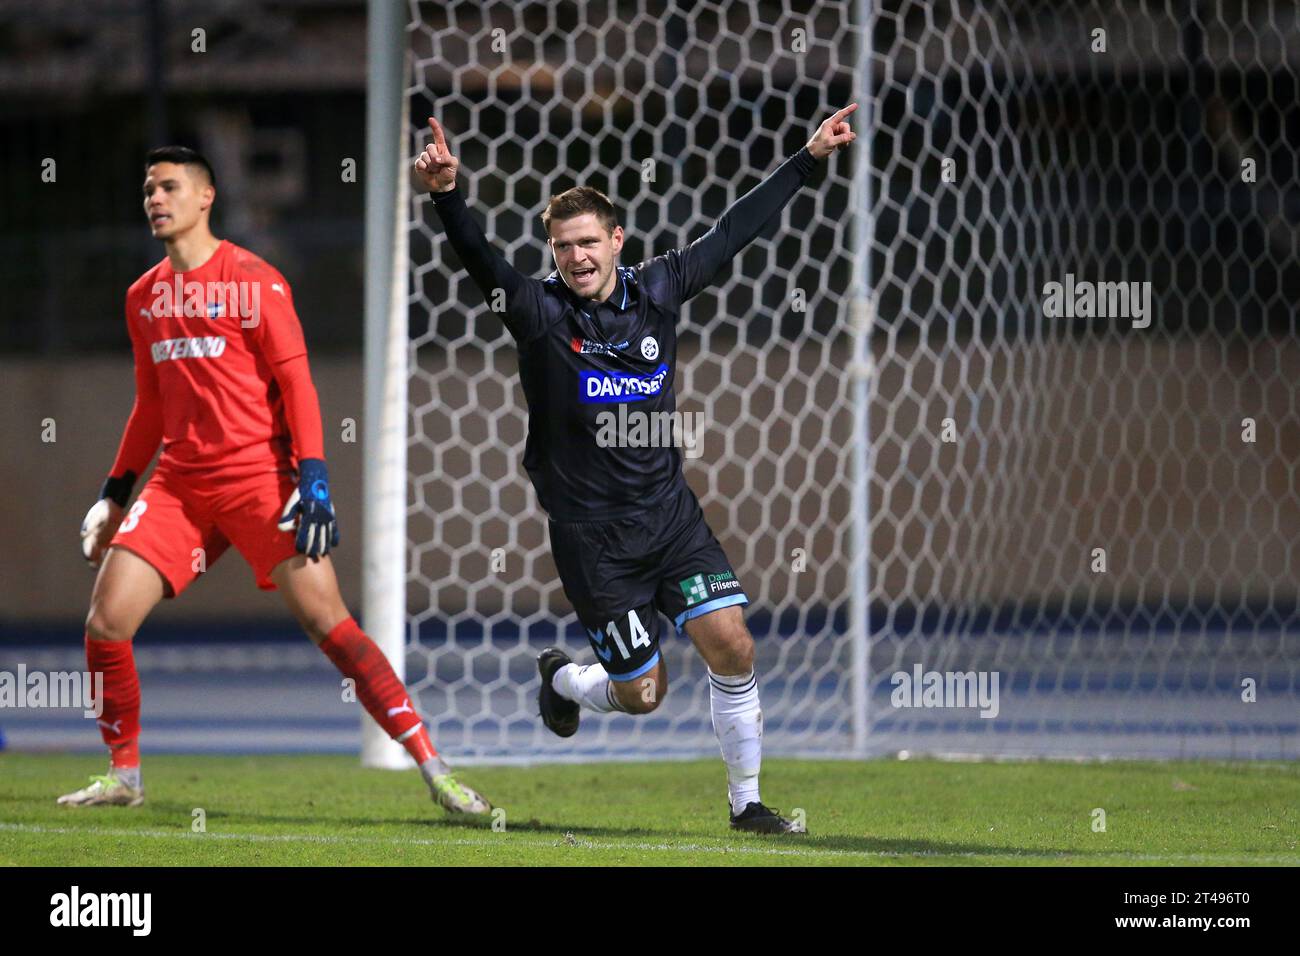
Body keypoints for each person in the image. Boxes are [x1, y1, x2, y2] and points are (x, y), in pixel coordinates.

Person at [415, 106, 857, 832]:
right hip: (595, 541)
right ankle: (563, 679)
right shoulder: (538, 313)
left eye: (589, 242)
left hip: (669, 516)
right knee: (643, 694)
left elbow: (733, 232)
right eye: (563, 247)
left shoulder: (659, 288)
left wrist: (807, 158)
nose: (577, 257)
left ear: (616, 240)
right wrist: (446, 196)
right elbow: (481, 261)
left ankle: (746, 805)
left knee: (733, 644)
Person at [63, 146, 490, 816]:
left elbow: (297, 384)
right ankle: (125, 777)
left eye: (169, 187)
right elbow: (149, 405)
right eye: (148, 189)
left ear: (206, 198)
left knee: (331, 625)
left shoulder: (254, 279)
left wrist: (313, 478)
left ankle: (437, 772)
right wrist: (114, 493)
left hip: (260, 476)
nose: (154, 199)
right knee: (106, 622)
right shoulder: (143, 297)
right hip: (178, 484)